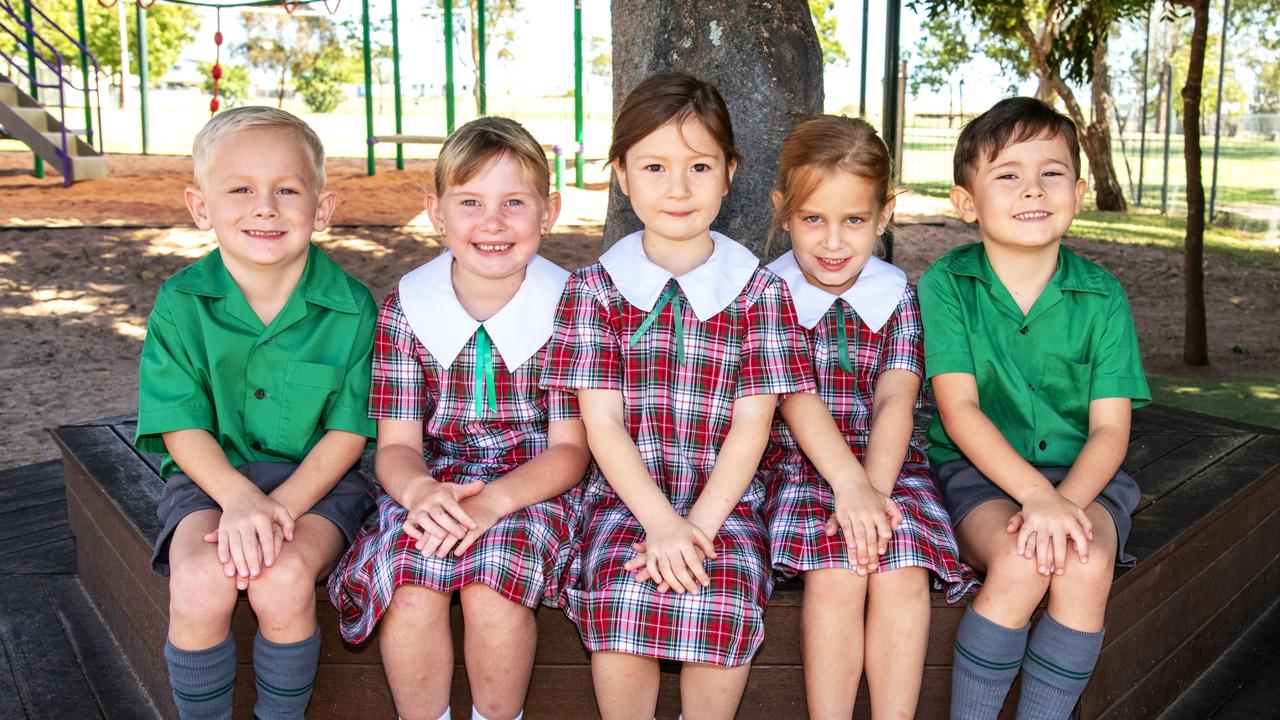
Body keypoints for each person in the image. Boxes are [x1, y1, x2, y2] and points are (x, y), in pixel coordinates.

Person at [540, 72, 814, 720]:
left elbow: (753, 424)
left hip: (726, 498)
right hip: (625, 494)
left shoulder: (758, 291)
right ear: (621, 175)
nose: (679, 187)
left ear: (729, 173)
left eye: (699, 166)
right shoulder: (595, 290)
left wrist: (697, 528)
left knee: (720, 602)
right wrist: (662, 524)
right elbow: (602, 424)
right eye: (655, 166)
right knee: (621, 596)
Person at [327, 116, 590, 720]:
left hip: (534, 485)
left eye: (514, 202)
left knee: (490, 587)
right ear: (436, 213)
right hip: (431, 480)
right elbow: (395, 445)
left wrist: (493, 502)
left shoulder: (573, 306)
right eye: (470, 201)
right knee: (411, 587)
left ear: (548, 211)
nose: (492, 222)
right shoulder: (407, 306)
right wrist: (422, 493)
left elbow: (570, 452)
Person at [136, 106, 378, 720]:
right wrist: (239, 501)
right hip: (209, 482)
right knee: (197, 581)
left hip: (319, 489)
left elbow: (349, 432)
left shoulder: (352, 308)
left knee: (284, 578)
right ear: (200, 206)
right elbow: (178, 421)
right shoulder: (180, 301)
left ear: (320, 209)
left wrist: (278, 511)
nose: (264, 206)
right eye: (240, 188)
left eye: (287, 189)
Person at [918, 97, 1150, 719]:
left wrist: (1064, 503)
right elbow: (960, 410)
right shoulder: (946, 284)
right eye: (1007, 174)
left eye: (1051, 173)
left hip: (1085, 481)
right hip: (980, 476)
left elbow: (1109, 429)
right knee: (1023, 562)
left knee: (1085, 560)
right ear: (966, 202)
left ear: (1077, 191)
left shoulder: (1102, 297)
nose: (1033, 189)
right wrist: (1034, 499)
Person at [761, 114, 977, 719]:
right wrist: (849, 488)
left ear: (884, 214)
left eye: (854, 220)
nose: (834, 242)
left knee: (901, 569)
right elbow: (794, 397)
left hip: (889, 463)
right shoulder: (766, 296)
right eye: (813, 220)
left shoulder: (898, 294)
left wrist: (874, 495)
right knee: (838, 574)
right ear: (783, 210)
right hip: (800, 465)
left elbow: (896, 398)